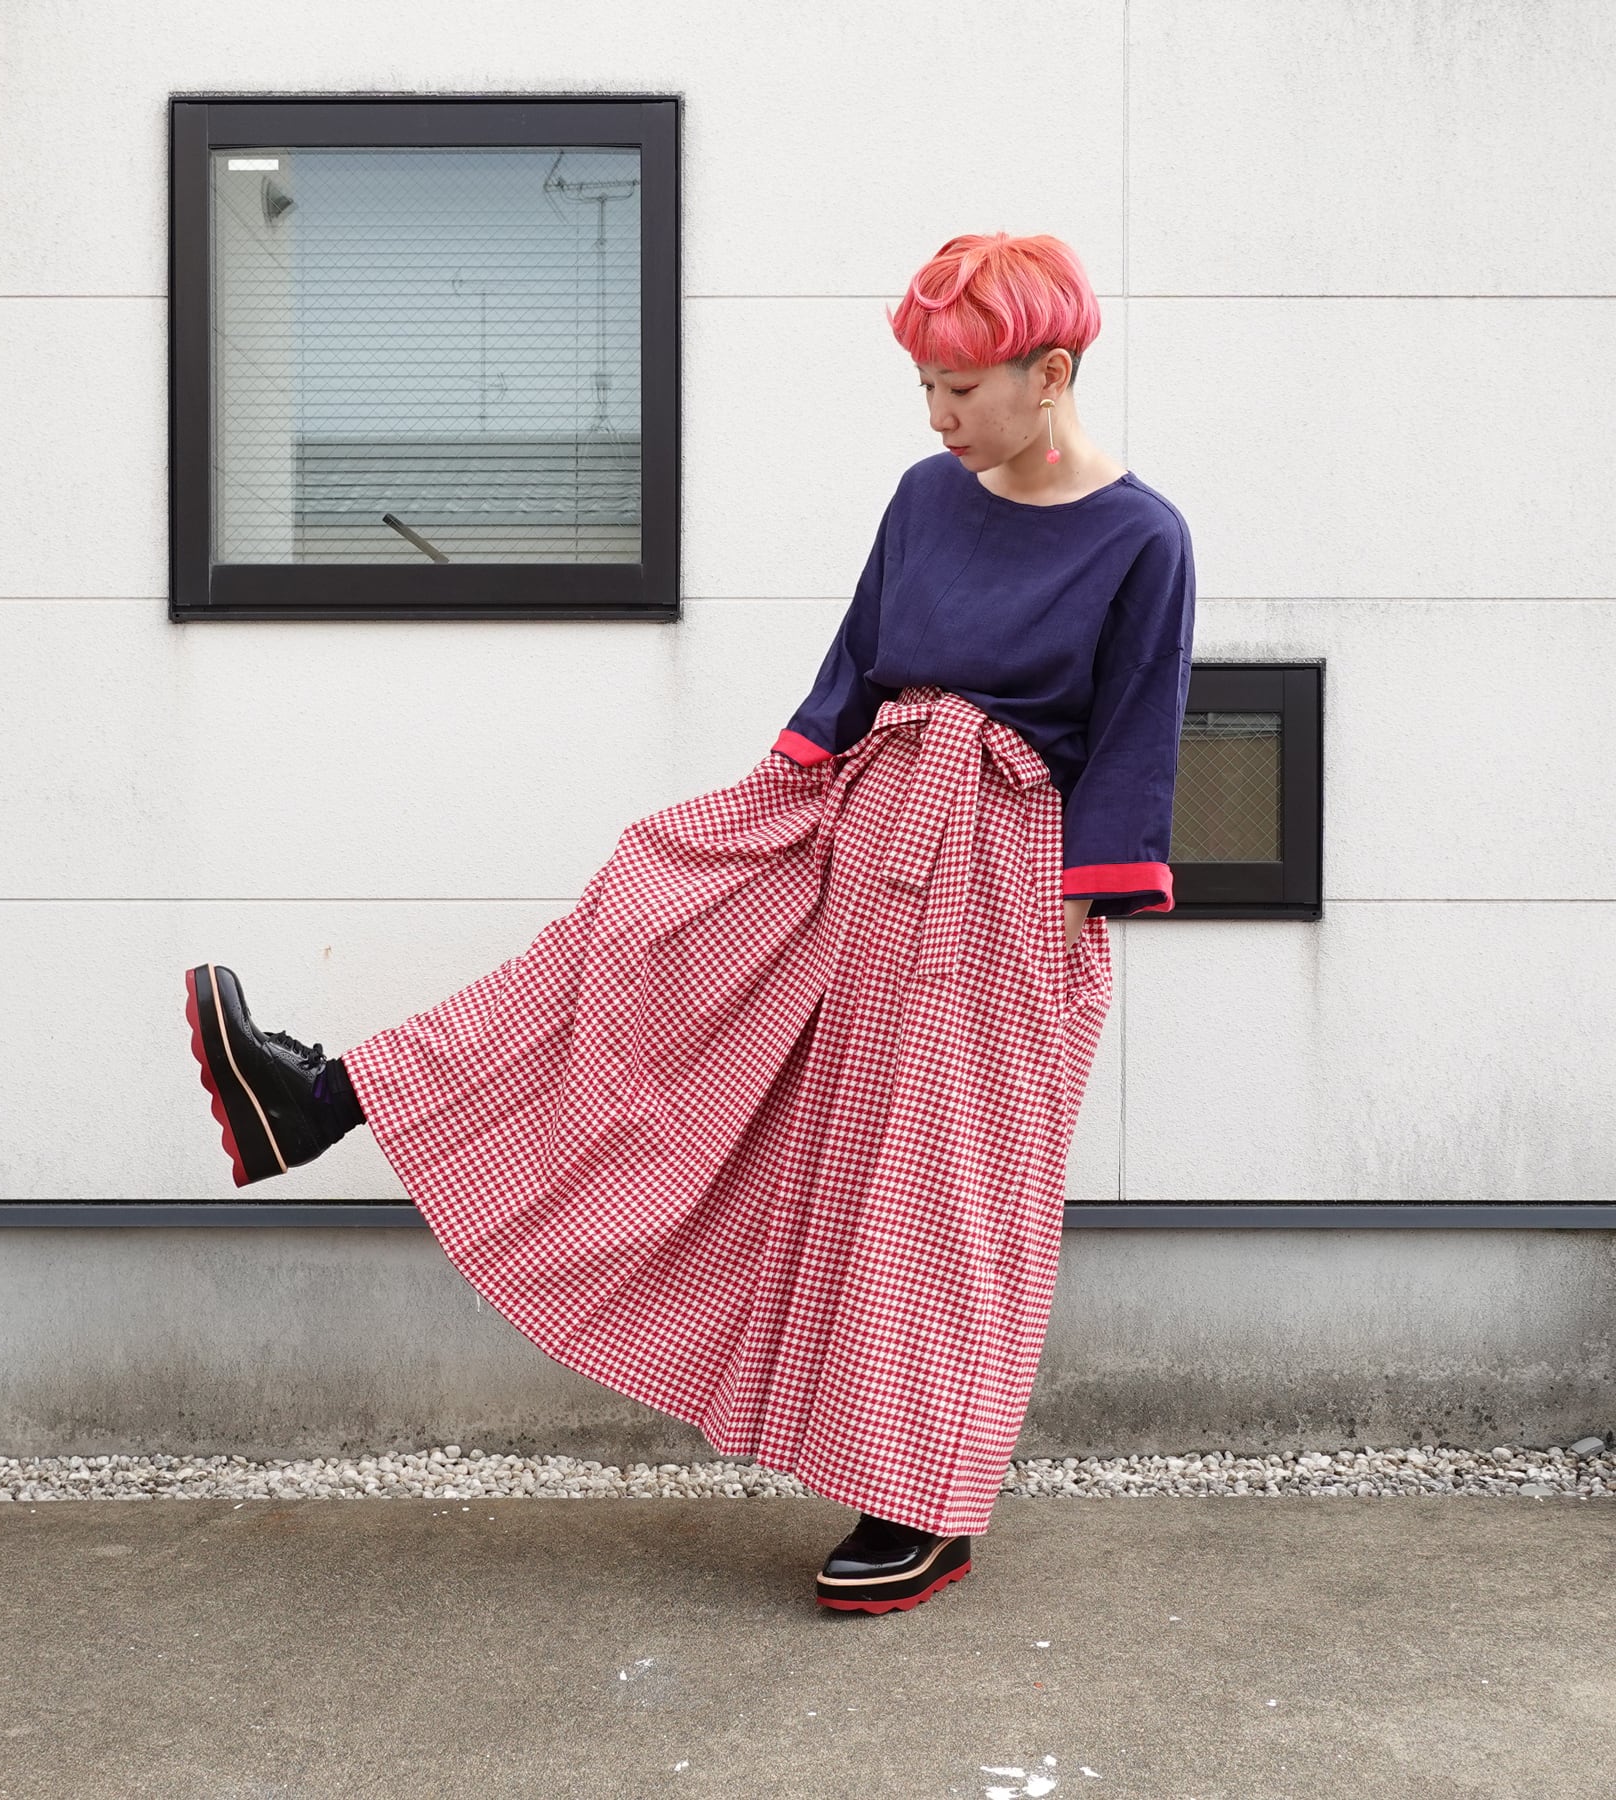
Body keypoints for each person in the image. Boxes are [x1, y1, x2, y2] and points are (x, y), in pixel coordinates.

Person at [184, 231, 1195, 1617]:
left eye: (960, 388)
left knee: (934, 1184)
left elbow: (1135, 741)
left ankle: (921, 1504)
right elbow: (855, 665)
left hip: (1003, 873)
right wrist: (762, 816)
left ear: (1053, 373)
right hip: (862, 815)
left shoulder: (1143, 538)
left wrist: (1061, 933)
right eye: (923, 386)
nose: (936, 417)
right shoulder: (924, 497)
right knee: (634, 940)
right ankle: (324, 1099)